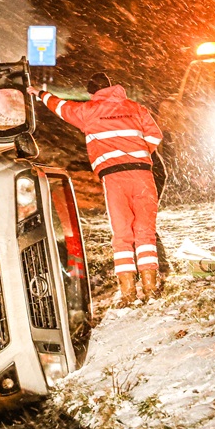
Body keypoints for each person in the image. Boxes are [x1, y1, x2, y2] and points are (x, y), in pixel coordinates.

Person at [28, 72, 166, 303]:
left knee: (122, 233)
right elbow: (155, 135)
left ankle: (128, 291)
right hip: (142, 174)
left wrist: (39, 93)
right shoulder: (135, 107)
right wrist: (138, 155)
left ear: (92, 93)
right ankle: (151, 287)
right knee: (145, 229)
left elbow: (61, 107)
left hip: (114, 177)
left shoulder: (89, 111)